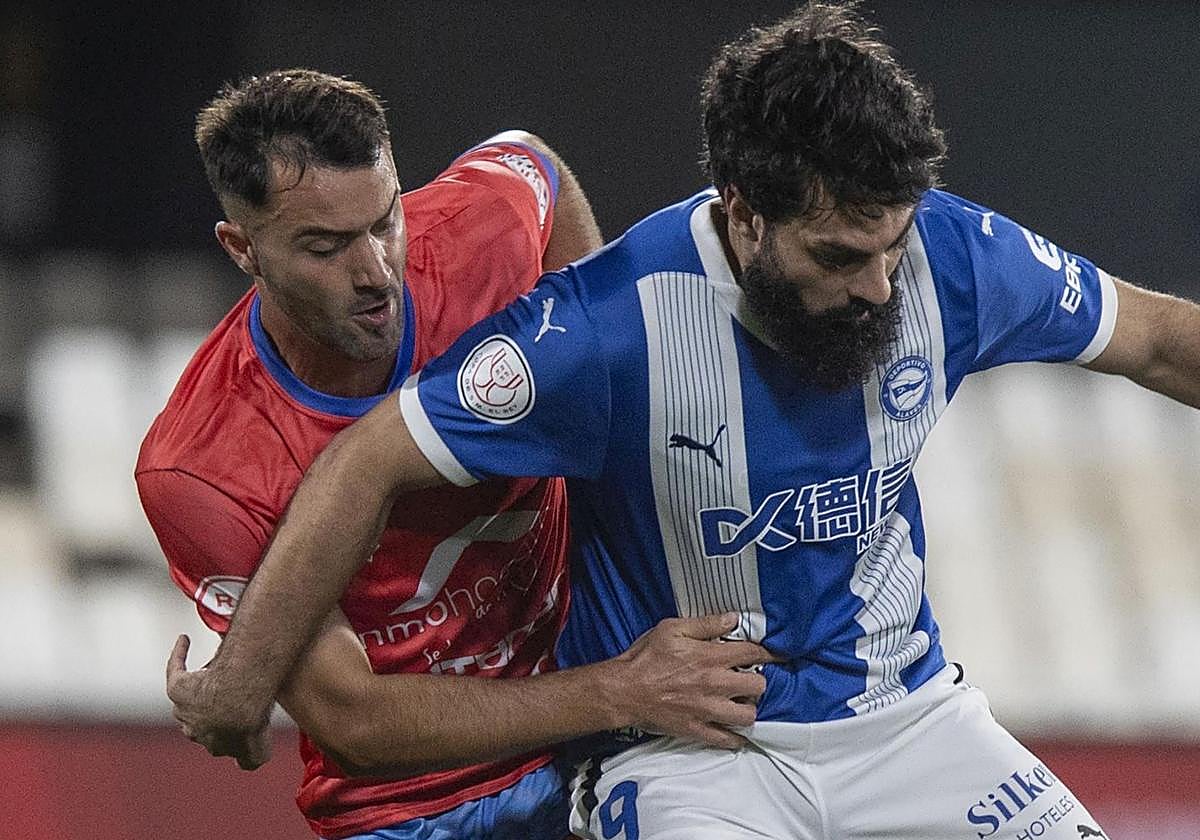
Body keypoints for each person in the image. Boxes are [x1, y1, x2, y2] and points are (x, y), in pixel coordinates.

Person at [163, 5, 1200, 835]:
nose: (884, 287)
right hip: (666, 760)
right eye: (841, 256)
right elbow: (366, 468)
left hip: (908, 722)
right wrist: (240, 682)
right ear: (746, 213)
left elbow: (1157, 339)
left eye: (892, 245)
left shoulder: (954, 260)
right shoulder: (603, 335)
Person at [137, 69, 772, 840]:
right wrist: (622, 690)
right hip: (419, 807)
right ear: (243, 248)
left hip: (608, 739)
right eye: (325, 246)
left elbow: (531, 160)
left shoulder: (478, 230)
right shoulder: (200, 466)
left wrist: (599, 368)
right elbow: (355, 721)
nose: (375, 271)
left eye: (383, 222)